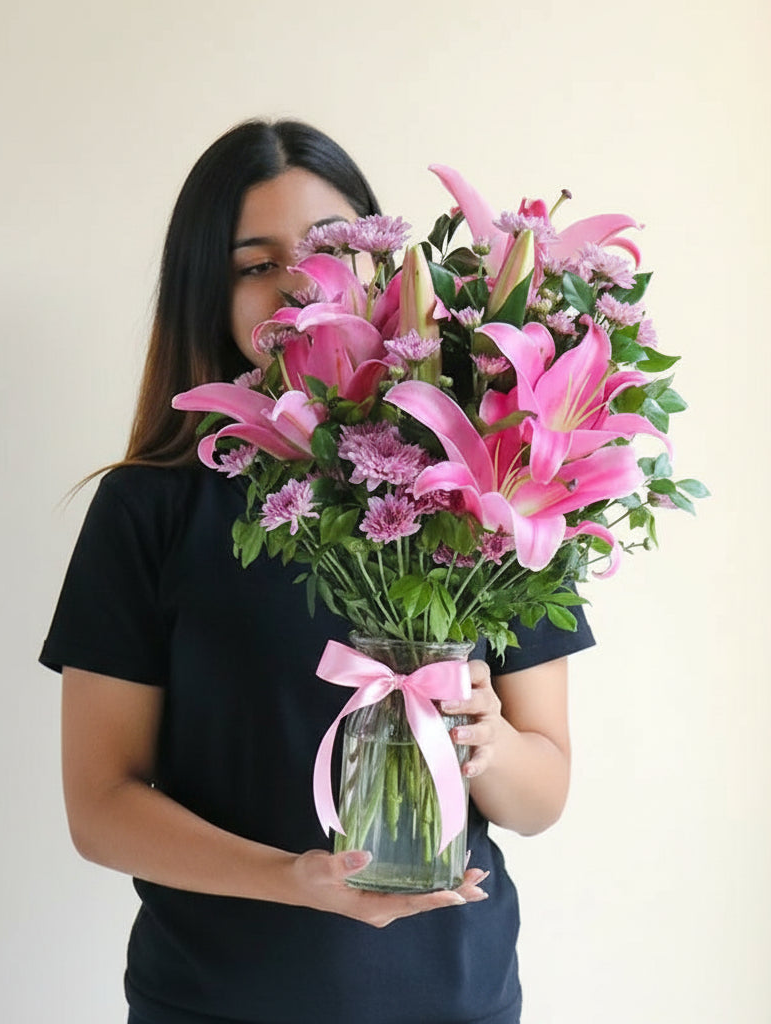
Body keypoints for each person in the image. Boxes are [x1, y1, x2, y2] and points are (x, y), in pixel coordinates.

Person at [40, 118, 595, 1024]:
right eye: (255, 264)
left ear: (391, 269)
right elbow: (100, 807)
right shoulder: (149, 507)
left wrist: (488, 742)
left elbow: (543, 797)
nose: (303, 285)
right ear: (207, 293)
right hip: (214, 1004)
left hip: (456, 1002)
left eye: (331, 249)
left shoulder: (493, 475)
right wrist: (293, 880)